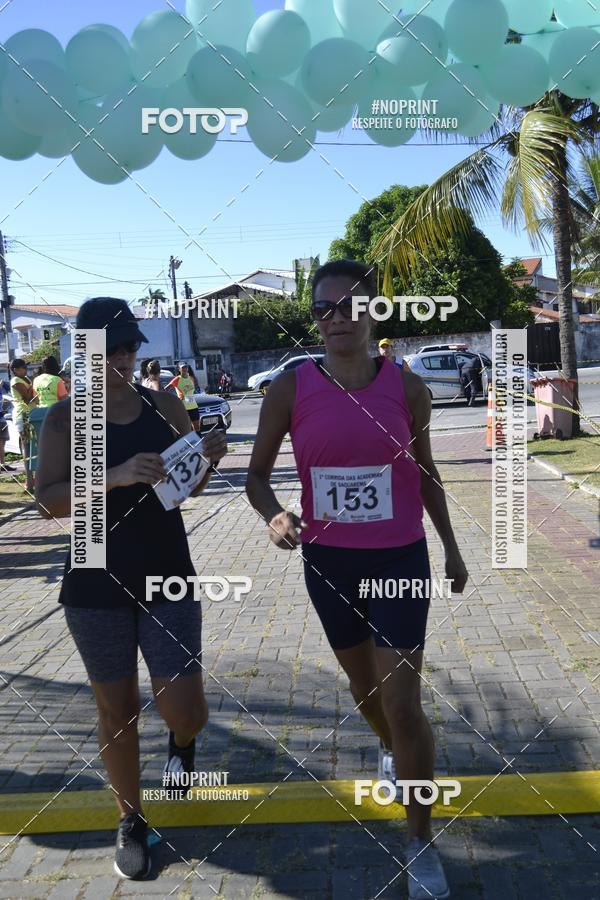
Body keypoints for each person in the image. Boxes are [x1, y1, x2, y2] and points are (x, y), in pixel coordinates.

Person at [246, 260, 468, 900]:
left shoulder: (408, 387)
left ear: (373, 313)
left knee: (403, 703)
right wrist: (275, 515)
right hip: (330, 564)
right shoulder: (289, 389)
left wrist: (451, 548)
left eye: (348, 307)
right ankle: (394, 752)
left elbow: (426, 473)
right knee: (365, 691)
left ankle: (419, 840)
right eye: (323, 309)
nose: (336, 319)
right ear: (312, 318)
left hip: (400, 558)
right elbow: (258, 477)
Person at [35, 298, 227, 881]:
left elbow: (186, 488)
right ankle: (131, 818)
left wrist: (206, 459)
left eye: (129, 346)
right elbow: (46, 501)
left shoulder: (165, 404)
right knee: (116, 710)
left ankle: (182, 743)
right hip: (94, 576)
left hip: (166, 571)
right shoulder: (66, 419)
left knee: (186, 710)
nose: (120, 357)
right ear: (85, 351)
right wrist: (113, 477)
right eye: (107, 347)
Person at [9, 358, 37, 492]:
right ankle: (29, 482)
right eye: (23, 368)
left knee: (33, 448)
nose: (26, 369)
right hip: (23, 415)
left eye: (26, 367)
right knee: (27, 447)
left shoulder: (26, 379)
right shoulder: (16, 381)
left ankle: (34, 480)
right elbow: (27, 398)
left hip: (31, 414)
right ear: (15, 370)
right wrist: (35, 382)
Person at [166, 363, 200, 432]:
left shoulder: (191, 378)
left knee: (197, 428)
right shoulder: (177, 379)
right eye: (182, 367)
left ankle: (198, 441)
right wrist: (171, 399)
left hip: (193, 406)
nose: (185, 369)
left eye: (186, 367)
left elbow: (192, 391)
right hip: (183, 407)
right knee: (187, 428)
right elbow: (165, 389)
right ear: (179, 369)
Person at [0, 384, 16, 473]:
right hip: (1, 421)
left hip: (2, 421)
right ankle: (2, 465)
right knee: (1, 445)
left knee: (2, 445)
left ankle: (3, 464)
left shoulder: (2, 392)